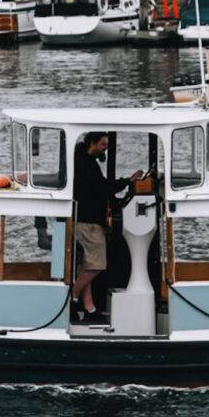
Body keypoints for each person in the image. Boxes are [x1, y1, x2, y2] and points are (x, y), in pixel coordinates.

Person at [70, 132, 140, 318]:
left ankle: (90, 308)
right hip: (89, 222)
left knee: (86, 266)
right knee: (97, 265)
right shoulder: (85, 162)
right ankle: (73, 298)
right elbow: (102, 187)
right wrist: (127, 181)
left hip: (85, 219)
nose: (105, 148)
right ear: (93, 143)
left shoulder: (83, 159)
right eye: (103, 144)